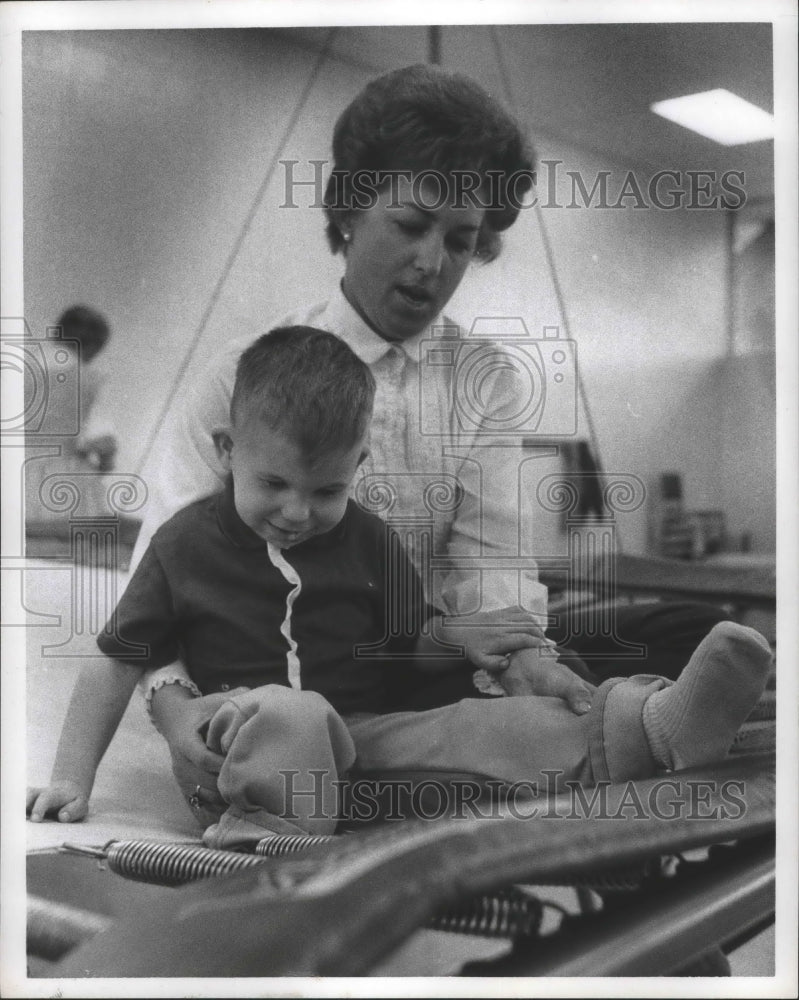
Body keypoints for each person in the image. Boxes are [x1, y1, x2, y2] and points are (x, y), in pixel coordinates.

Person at [134, 64, 726, 800]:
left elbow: (491, 564)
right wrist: (171, 708)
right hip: (266, 696)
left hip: (419, 672)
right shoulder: (242, 376)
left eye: (459, 239)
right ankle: (612, 733)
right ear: (349, 210)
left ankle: (633, 725)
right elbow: (154, 577)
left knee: (681, 629)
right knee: (308, 730)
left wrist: (524, 662)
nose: (430, 263)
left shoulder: (485, 377)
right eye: (411, 225)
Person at [26, 328, 773, 850]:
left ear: (357, 465)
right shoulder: (183, 546)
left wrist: (468, 645)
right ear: (227, 452)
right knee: (291, 713)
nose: (296, 512)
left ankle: (655, 727)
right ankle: (273, 846)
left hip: (365, 744)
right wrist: (70, 777)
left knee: (515, 724)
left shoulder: (365, 537)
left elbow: (408, 649)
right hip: (239, 755)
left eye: (325, 489)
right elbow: (116, 661)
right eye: (273, 484)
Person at [25, 305, 118, 525]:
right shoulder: (91, 379)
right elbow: (103, 441)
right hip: (59, 478)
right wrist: (105, 463)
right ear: (93, 345)